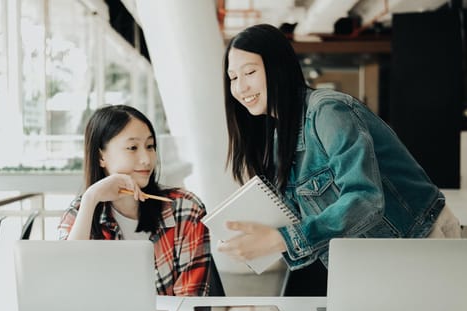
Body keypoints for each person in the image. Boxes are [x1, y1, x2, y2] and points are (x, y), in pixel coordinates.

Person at [218, 23, 461, 295]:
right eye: (233, 77)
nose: (240, 87)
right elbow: (309, 226)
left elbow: (365, 198)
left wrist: (281, 239)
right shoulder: (278, 140)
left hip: (418, 240)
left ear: (279, 67)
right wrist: (257, 237)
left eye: (249, 72)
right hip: (368, 260)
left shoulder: (328, 111)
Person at [58, 105, 211, 296]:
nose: (146, 159)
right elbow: (66, 285)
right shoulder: (79, 212)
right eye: (133, 148)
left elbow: (189, 303)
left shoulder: (186, 209)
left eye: (150, 146)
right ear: (100, 156)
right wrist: (91, 197)